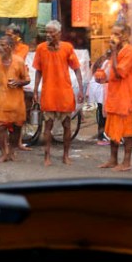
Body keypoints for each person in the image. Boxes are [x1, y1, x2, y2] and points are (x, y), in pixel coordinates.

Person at [32, 19, 84, 166]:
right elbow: (38, 71)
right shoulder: (41, 48)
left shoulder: (67, 48)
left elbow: (77, 69)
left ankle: (65, 155)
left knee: (67, 125)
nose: (48, 35)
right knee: (47, 126)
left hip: (65, 92)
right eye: (46, 32)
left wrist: (80, 89)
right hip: (48, 93)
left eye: (51, 32)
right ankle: (47, 156)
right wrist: (36, 90)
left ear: (59, 34)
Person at [99, 23, 132, 171]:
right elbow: (110, 73)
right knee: (112, 129)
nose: (112, 37)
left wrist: (114, 52)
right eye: (112, 33)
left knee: (127, 131)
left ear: (125, 36)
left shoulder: (130, 52)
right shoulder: (115, 52)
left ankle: (127, 162)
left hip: (125, 96)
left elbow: (119, 73)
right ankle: (113, 159)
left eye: (116, 34)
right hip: (114, 95)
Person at [89, 49, 110, 145]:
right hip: (101, 88)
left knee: (101, 111)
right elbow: (107, 77)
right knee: (103, 115)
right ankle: (101, 138)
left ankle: (102, 136)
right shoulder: (108, 63)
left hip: (97, 87)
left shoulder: (102, 60)